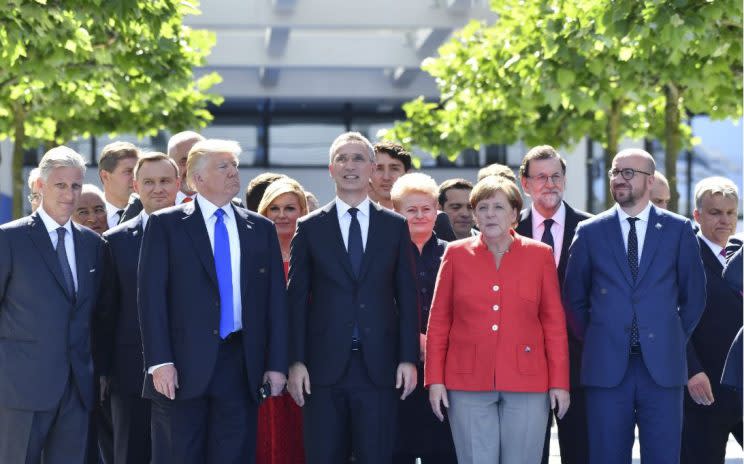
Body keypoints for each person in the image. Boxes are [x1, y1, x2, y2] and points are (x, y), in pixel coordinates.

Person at [138, 139, 288, 464]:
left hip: (240, 362)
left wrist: (276, 364)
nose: (234, 172)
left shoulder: (260, 228)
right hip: (180, 366)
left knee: (233, 454)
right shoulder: (165, 225)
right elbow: (151, 299)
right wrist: (160, 361)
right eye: (224, 166)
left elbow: (275, 302)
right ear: (197, 178)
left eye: (235, 165)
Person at [563, 148, 706, 464]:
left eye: (628, 172)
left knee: (664, 457)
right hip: (606, 369)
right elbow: (573, 300)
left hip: (663, 370)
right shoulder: (589, 232)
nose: (619, 179)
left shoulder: (678, 229)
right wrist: (601, 337)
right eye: (615, 172)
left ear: (650, 180)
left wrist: (672, 338)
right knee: (606, 456)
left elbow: (694, 297)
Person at [287, 132, 418, 463]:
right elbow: (296, 300)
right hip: (322, 369)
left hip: (379, 367)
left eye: (358, 158)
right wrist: (296, 361)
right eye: (342, 159)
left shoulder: (395, 226)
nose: (350, 166)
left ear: (372, 168)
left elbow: (407, 296)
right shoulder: (310, 227)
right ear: (331, 169)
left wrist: (407, 358)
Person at [426, 176, 569, 464]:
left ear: (515, 213)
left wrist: (560, 383)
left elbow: (553, 324)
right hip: (467, 380)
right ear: (475, 214)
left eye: (498, 207)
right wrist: (435, 380)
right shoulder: (455, 254)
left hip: (528, 379)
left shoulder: (540, 255)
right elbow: (439, 321)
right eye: (483, 207)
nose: (490, 214)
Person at [0, 146, 105, 463]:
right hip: (21, 389)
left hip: (77, 389)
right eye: (61, 185)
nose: (70, 194)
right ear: (40, 187)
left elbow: (95, 315)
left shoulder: (93, 245)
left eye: (75, 185)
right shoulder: (9, 239)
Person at [95, 152, 181, 464]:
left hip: (192, 371)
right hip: (130, 374)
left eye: (165, 181)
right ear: (135, 185)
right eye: (149, 182)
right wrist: (103, 372)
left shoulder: (203, 235)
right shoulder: (114, 241)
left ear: (178, 184)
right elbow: (106, 312)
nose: (158, 188)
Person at [515, 145, 592, 464]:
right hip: (522, 362)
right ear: (525, 183)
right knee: (530, 455)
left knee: (581, 452)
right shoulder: (507, 230)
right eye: (541, 177)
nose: (550, 184)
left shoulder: (592, 230)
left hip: (580, 362)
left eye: (556, 176)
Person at [390, 173, 456, 464]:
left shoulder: (454, 254)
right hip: (395, 371)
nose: (420, 215)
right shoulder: (383, 255)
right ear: (396, 212)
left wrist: (437, 342)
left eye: (426, 208)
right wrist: (410, 338)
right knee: (397, 451)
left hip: (445, 371)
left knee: (442, 452)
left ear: (436, 211)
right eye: (411, 209)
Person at [681, 176, 742, 463]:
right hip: (703, 391)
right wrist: (691, 370)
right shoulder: (683, 256)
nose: (725, 220)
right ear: (697, 215)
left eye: (730, 213)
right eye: (715, 212)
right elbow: (673, 319)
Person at [255, 178, 308, 464]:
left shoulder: (316, 251)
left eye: (290, 208)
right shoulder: (253, 254)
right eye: (274, 208)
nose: (282, 215)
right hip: (264, 359)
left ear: (303, 211)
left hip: (308, 359)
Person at [371, 141, 456, 241]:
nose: (386, 177)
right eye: (379, 168)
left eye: (394, 168)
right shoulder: (360, 220)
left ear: (407, 173)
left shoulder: (436, 220)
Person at [99, 141, 140, 229]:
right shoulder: (86, 215)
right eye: (128, 171)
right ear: (105, 176)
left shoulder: (149, 214)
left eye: (137, 171)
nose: (135, 178)